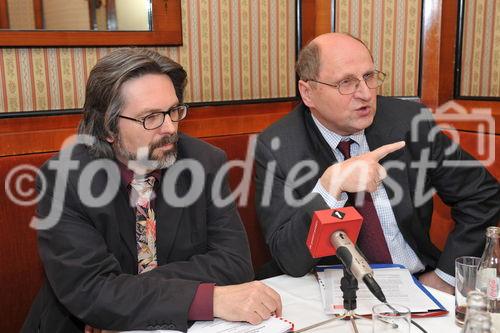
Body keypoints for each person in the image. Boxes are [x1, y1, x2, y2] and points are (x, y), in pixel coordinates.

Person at [22, 48, 281, 333]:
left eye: (173, 111)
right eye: (151, 117)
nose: (170, 128)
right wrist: (207, 297)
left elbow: (235, 263)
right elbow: (90, 290)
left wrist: (122, 297)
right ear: (108, 128)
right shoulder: (64, 180)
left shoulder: (204, 162)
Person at [254, 33, 500, 293]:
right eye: (346, 82)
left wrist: (445, 277)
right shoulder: (279, 146)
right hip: (332, 292)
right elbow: (289, 257)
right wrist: (329, 189)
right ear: (308, 93)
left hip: (417, 284)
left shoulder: (409, 122)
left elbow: (483, 196)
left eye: (369, 77)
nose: (364, 94)